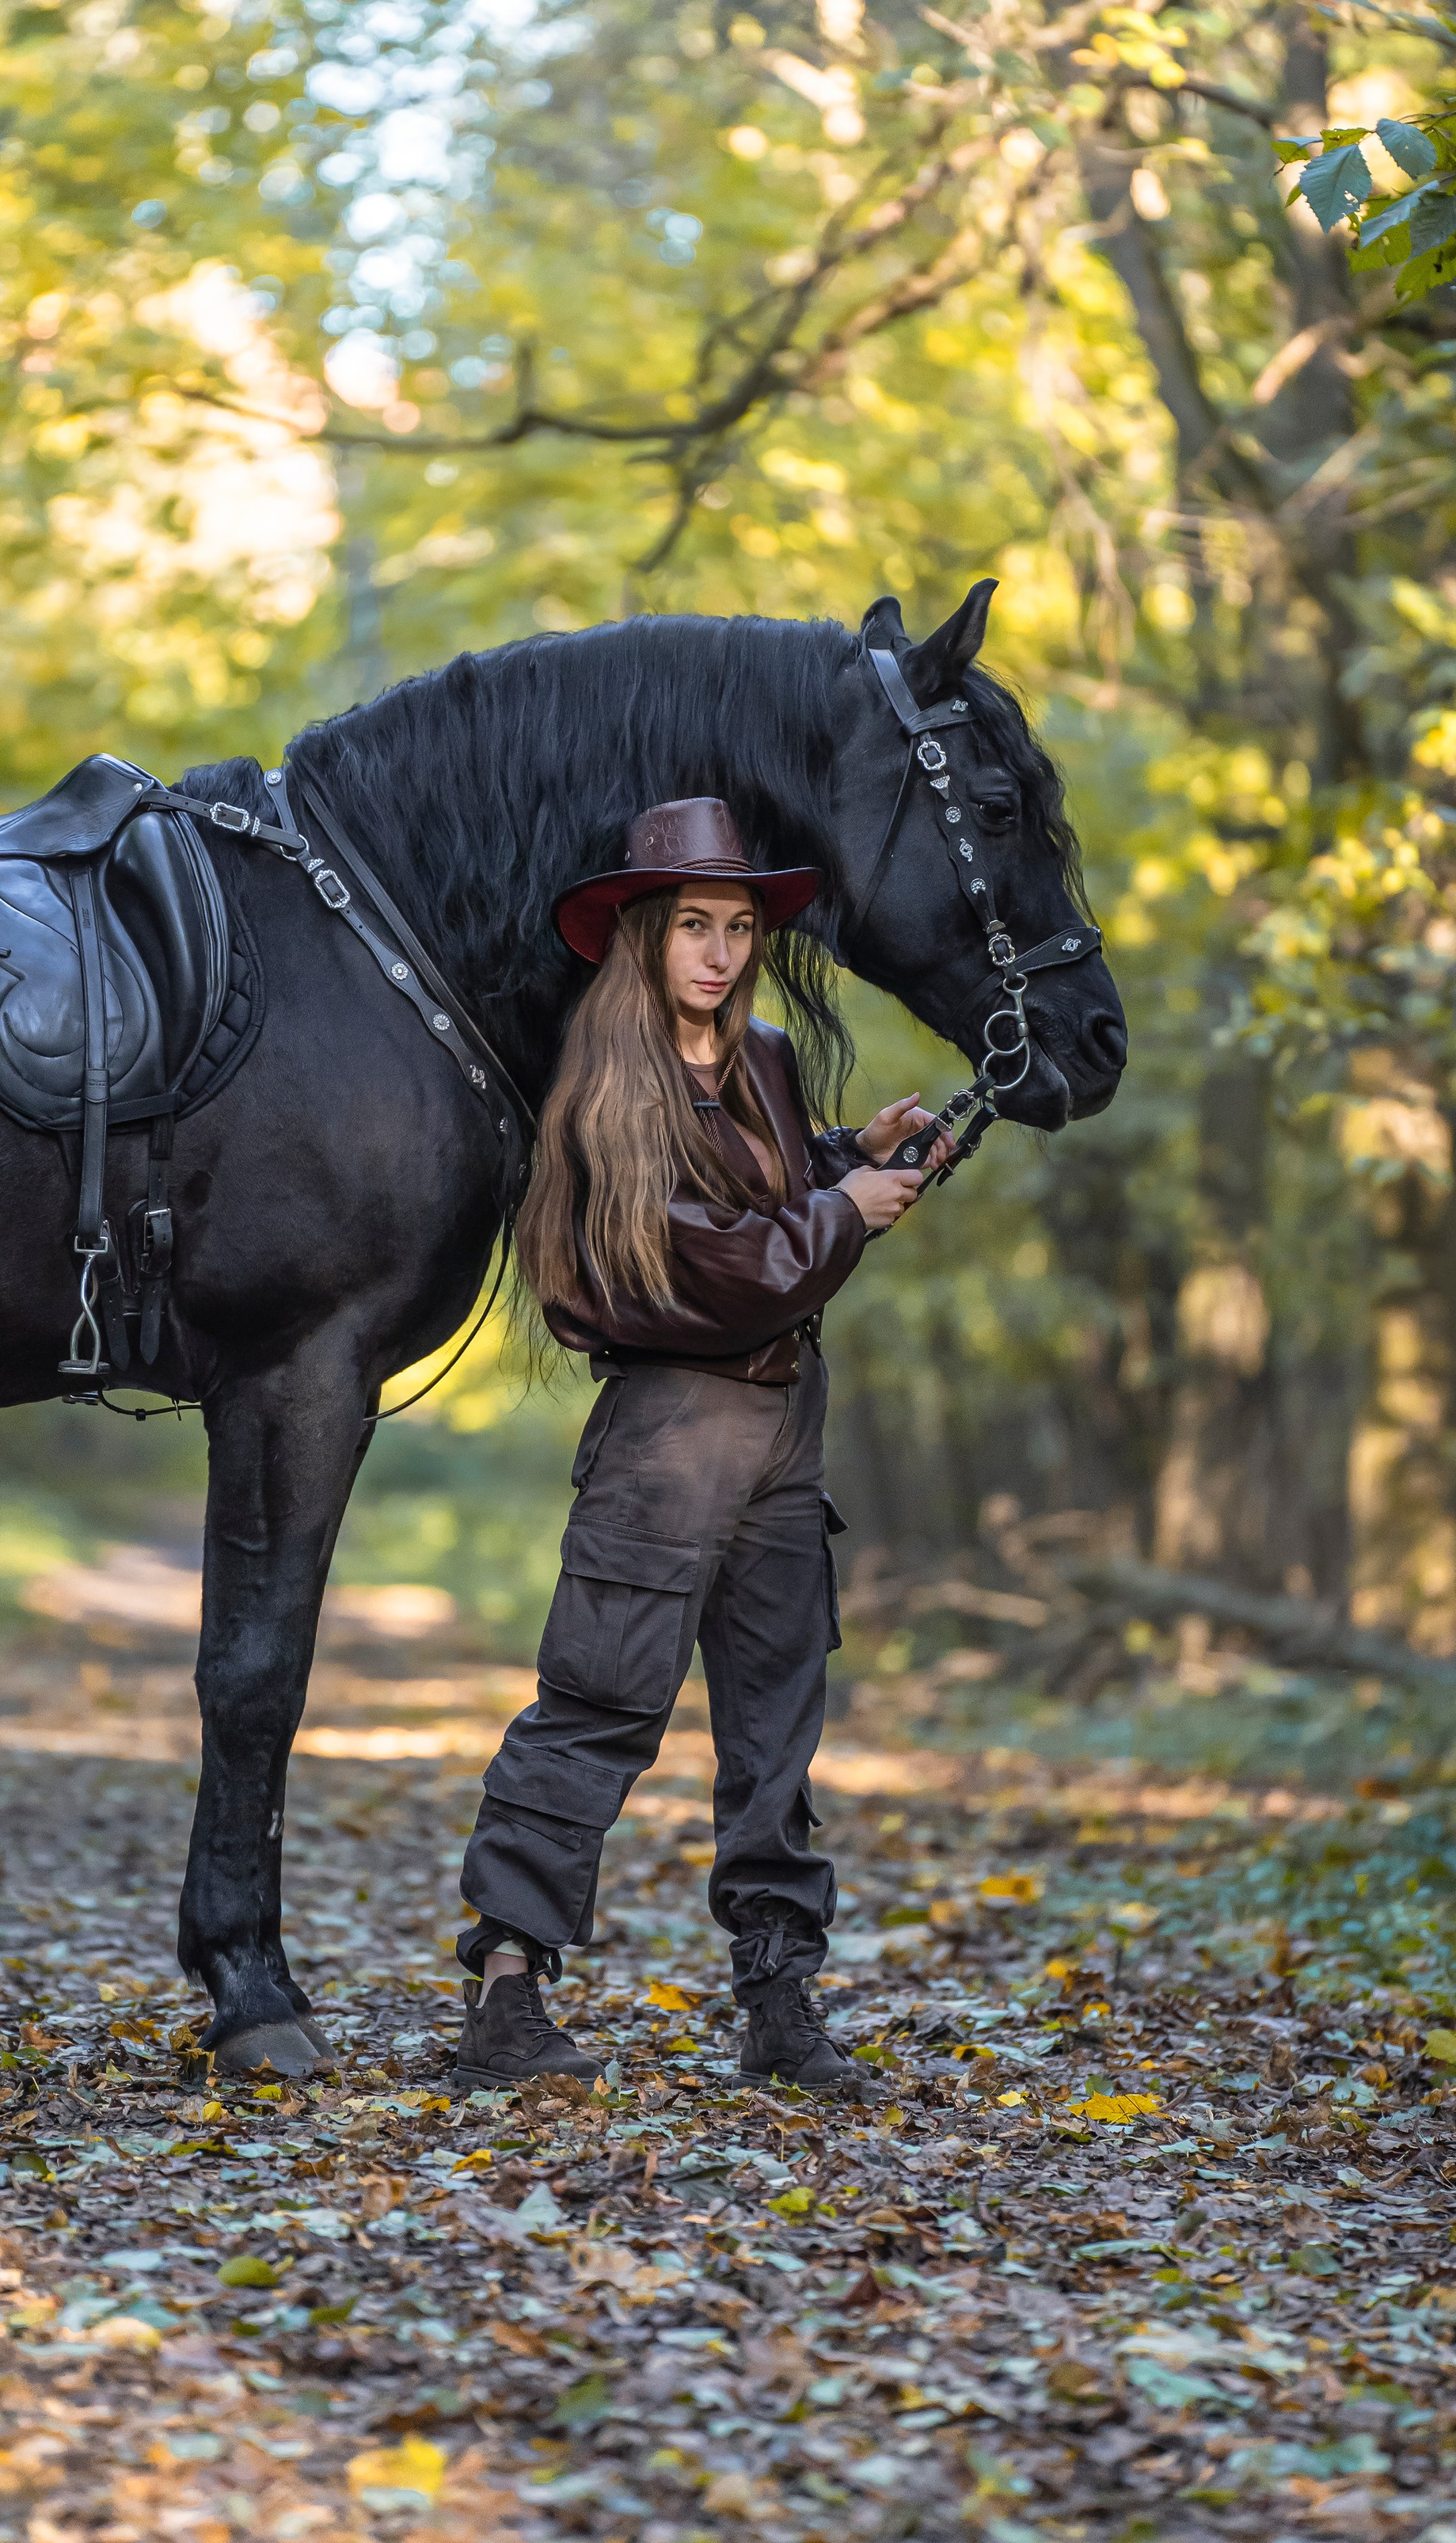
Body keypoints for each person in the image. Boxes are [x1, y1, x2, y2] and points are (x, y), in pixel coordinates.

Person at [454, 797, 952, 2099]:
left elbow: (763, 1197)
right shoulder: (604, 1082)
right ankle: (507, 2000)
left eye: (738, 928)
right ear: (642, 936)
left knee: (777, 1722)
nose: (721, 954)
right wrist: (847, 1212)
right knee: (600, 1703)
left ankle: (780, 2007)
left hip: (788, 1423)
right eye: (694, 927)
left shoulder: (767, 1060)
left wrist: (856, 1154)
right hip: (670, 1430)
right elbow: (708, 1267)